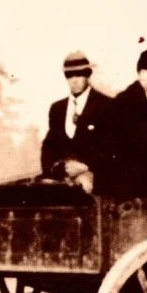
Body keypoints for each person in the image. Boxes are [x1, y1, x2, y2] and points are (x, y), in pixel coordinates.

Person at [96, 47, 147, 199]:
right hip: (125, 188)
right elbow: (141, 148)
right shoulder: (134, 102)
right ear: (143, 74)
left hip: (124, 182)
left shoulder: (133, 98)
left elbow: (146, 139)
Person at [40, 50, 110, 193]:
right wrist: (56, 168)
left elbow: (113, 150)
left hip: (94, 179)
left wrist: (86, 167)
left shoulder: (106, 105)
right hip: (61, 178)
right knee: (42, 190)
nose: (75, 79)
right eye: (70, 75)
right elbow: (48, 148)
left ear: (88, 74)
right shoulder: (57, 109)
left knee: (83, 187)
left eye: (79, 74)